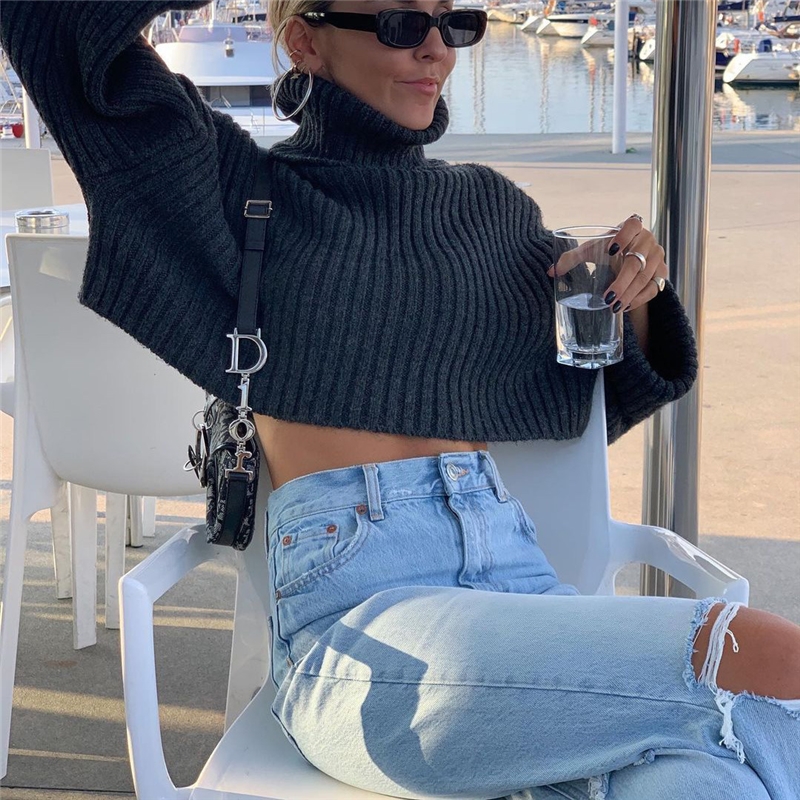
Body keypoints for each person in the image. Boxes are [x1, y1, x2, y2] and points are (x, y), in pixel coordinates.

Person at [2, 2, 799, 798]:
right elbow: (58, 26)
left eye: (453, 24)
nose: (435, 51)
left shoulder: (488, 211)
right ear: (305, 40)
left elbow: (593, 393)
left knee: (710, 783)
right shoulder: (237, 191)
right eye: (399, 25)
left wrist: (632, 290)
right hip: (364, 632)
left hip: (519, 585)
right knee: (769, 663)